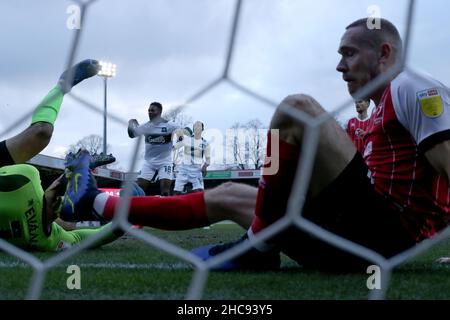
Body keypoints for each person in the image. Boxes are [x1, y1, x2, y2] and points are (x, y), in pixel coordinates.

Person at [60, 18, 450, 272]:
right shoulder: (376, 113)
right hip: (350, 240)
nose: (339, 65)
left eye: (349, 53)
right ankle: (95, 203)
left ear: (384, 53)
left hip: (384, 239)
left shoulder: (412, 86)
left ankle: (259, 246)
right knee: (230, 194)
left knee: (298, 109)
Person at [0, 59, 121, 252]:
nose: (59, 200)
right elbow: (87, 236)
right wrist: (125, 221)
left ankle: (79, 168)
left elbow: (81, 235)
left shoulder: (47, 237)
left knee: (41, 133)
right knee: (41, 132)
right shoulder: (50, 237)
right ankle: (62, 86)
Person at [128, 102, 179, 196]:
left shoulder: (169, 125)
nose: (150, 112)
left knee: (165, 191)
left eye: (152, 110)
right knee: (139, 189)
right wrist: (130, 123)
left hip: (165, 162)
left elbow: (182, 131)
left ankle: (165, 208)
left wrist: (180, 137)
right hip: (149, 163)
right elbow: (132, 135)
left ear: (159, 112)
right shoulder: (145, 126)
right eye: (149, 110)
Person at [173, 121, 210, 195]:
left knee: (199, 193)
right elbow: (174, 147)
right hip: (184, 170)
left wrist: (205, 167)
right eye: (195, 126)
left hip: (196, 171)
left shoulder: (205, 143)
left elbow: (208, 159)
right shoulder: (186, 140)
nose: (196, 127)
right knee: (176, 192)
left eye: (199, 126)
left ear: (202, 129)